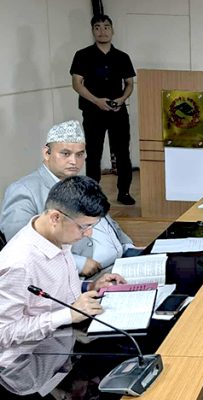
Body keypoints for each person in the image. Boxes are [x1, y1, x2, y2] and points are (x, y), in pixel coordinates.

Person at [0, 176, 126, 350]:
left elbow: (52, 290)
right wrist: (68, 315)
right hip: (33, 357)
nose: (88, 234)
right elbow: (4, 332)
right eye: (84, 227)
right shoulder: (19, 264)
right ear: (55, 218)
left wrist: (90, 286)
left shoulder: (57, 236)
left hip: (66, 342)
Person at [0, 120, 135, 277]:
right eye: (65, 154)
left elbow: (106, 222)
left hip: (122, 263)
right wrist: (78, 263)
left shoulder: (81, 182)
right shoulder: (24, 190)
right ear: (47, 153)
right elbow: (20, 245)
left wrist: (128, 246)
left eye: (80, 154)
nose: (73, 161)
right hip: (84, 278)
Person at [70, 14, 136, 205]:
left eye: (106, 27)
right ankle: (93, 194)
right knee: (94, 154)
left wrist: (122, 99)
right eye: (97, 27)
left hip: (118, 112)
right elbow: (77, 83)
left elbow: (129, 83)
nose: (102, 31)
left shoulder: (122, 57)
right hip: (93, 112)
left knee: (123, 153)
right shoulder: (82, 55)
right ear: (92, 31)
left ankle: (124, 192)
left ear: (112, 30)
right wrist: (96, 101)